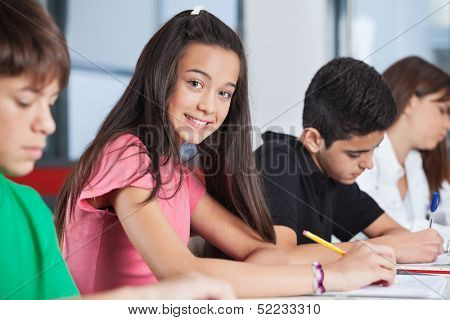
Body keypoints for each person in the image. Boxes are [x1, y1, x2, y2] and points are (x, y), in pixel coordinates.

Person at [54, 10, 397, 297]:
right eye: (195, 83)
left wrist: (264, 270)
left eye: (224, 93)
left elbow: (263, 251)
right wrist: (330, 276)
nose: (208, 106)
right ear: (161, 77)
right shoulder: (127, 154)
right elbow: (181, 272)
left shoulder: (177, 174)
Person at [0, 0, 235, 300]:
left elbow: (60, 309)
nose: (48, 125)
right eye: (24, 101)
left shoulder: (29, 209)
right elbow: (179, 271)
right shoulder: (127, 155)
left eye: (50, 103)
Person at [255, 57, 444, 265]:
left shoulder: (333, 177)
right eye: (355, 154)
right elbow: (280, 257)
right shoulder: (277, 161)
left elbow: (395, 233)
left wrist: (396, 243)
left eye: (374, 149)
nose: (368, 163)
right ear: (314, 140)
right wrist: (383, 247)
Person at [357, 56, 450, 241]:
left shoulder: (416, 163)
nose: (447, 124)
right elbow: (384, 232)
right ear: (410, 103)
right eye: (442, 110)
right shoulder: (362, 159)